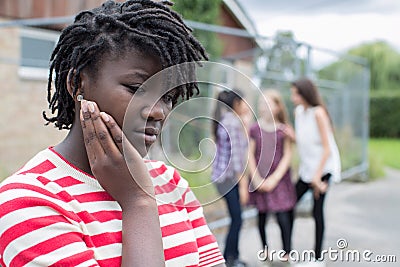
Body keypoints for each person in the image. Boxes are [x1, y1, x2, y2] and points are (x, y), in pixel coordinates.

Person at [0, 1, 226, 266]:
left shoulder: (172, 184)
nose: (159, 112)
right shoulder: (28, 203)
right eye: (137, 88)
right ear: (76, 84)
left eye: (169, 97)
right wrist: (138, 203)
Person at [290, 78, 341, 263]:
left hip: (323, 168)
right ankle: (288, 252)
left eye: (295, 93)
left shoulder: (318, 113)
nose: (292, 97)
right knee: (289, 205)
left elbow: (327, 147)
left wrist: (318, 178)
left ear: (305, 94)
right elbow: (305, 140)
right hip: (307, 170)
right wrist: (291, 136)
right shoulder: (298, 112)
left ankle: (318, 258)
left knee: (317, 212)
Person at [247, 90, 297, 260]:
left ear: (277, 107)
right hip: (260, 179)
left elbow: (288, 156)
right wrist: (257, 180)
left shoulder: (284, 131)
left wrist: (274, 179)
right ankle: (265, 250)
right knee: (261, 216)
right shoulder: (254, 129)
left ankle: (287, 252)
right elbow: (250, 155)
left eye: (267, 104)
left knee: (283, 216)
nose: (263, 107)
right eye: (261, 103)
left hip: (280, 181)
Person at [211, 89, 249, 267]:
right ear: (236, 104)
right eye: (244, 103)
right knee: (237, 218)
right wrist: (243, 186)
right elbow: (236, 160)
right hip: (228, 179)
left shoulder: (228, 120)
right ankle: (229, 258)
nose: (247, 107)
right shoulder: (232, 123)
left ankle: (233, 256)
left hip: (223, 178)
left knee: (237, 218)